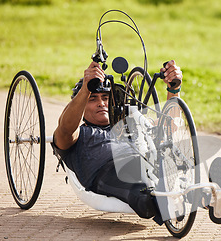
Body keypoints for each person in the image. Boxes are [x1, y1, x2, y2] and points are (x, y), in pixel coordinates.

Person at [52, 60, 183, 224]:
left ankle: (212, 191)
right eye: (92, 99)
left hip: (148, 163)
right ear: (82, 105)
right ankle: (163, 201)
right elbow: (65, 129)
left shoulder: (130, 125)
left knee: (168, 153)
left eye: (105, 98)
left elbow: (170, 125)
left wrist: (174, 88)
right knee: (140, 194)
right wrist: (86, 88)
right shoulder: (78, 135)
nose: (101, 103)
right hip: (108, 171)